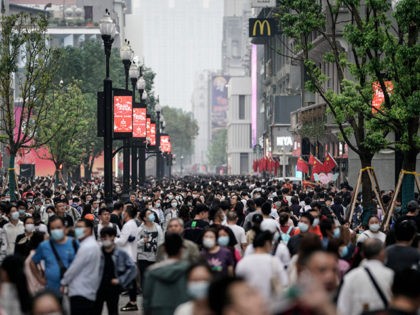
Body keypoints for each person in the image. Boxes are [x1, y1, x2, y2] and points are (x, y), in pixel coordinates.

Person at [337, 239, 394, 315]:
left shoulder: (350, 277)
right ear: (382, 253)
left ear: (362, 254)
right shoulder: (391, 275)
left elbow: (342, 309)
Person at [60, 218, 102, 315]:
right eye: (76, 227)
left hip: (81, 292)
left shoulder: (87, 247)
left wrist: (63, 282)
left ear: (89, 229)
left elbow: (74, 268)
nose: (77, 230)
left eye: (80, 227)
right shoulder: (89, 245)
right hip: (87, 289)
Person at [143, 233, 190, 315]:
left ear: (164, 250)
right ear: (181, 249)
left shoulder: (151, 272)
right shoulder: (189, 270)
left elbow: (146, 300)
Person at [93, 227, 137, 315]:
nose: (105, 239)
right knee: (96, 311)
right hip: (98, 287)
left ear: (113, 237)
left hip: (113, 288)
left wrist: (120, 280)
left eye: (107, 237)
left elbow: (132, 268)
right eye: (103, 237)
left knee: (113, 310)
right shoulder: (96, 252)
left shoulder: (121, 253)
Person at [30, 216, 77, 296]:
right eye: (53, 228)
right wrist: (40, 279)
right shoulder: (44, 246)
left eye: (58, 227)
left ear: (64, 228)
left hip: (73, 289)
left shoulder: (73, 243)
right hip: (52, 290)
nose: (56, 231)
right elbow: (32, 262)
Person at [236, 231, 288, 302]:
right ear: (267, 243)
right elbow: (284, 282)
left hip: (249, 303)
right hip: (270, 304)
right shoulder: (274, 261)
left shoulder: (243, 262)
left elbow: (238, 286)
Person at [115, 205, 139, 312]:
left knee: (131, 281)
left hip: (127, 255)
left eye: (124, 211)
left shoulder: (128, 225)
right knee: (131, 280)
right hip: (131, 254)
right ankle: (132, 301)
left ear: (127, 213)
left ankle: (133, 302)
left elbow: (122, 241)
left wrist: (112, 238)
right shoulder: (132, 224)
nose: (122, 213)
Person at [137, 209, 164, 290]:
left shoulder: (158, 227)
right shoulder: (140, 229)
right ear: (144, 218)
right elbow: (135, 243)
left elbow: (161, 241)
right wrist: (142, 241)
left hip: (154, 257)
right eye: (149, 214)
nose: (152, 215)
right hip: (143, 257)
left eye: (152, 213)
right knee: (144, 278)